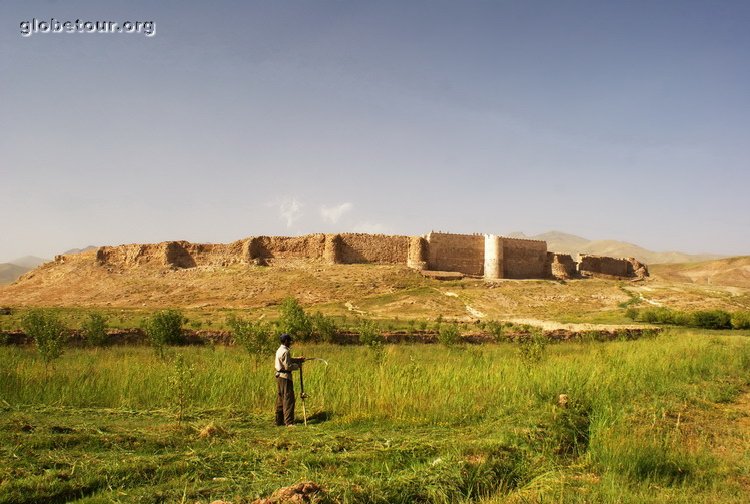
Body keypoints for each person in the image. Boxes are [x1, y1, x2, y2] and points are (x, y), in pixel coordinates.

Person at [274, 333, 305, 426]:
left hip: (279, 377)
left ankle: (279, 421)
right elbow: (288, 366)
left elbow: (286, 360)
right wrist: (297, 366)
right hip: (285, 378)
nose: (290, 343)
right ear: (286, 341)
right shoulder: (286, 351)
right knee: (288, 399)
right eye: (290, 341)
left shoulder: (279, 350)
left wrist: (297, 359)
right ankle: (289, 422)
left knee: (281, 398)